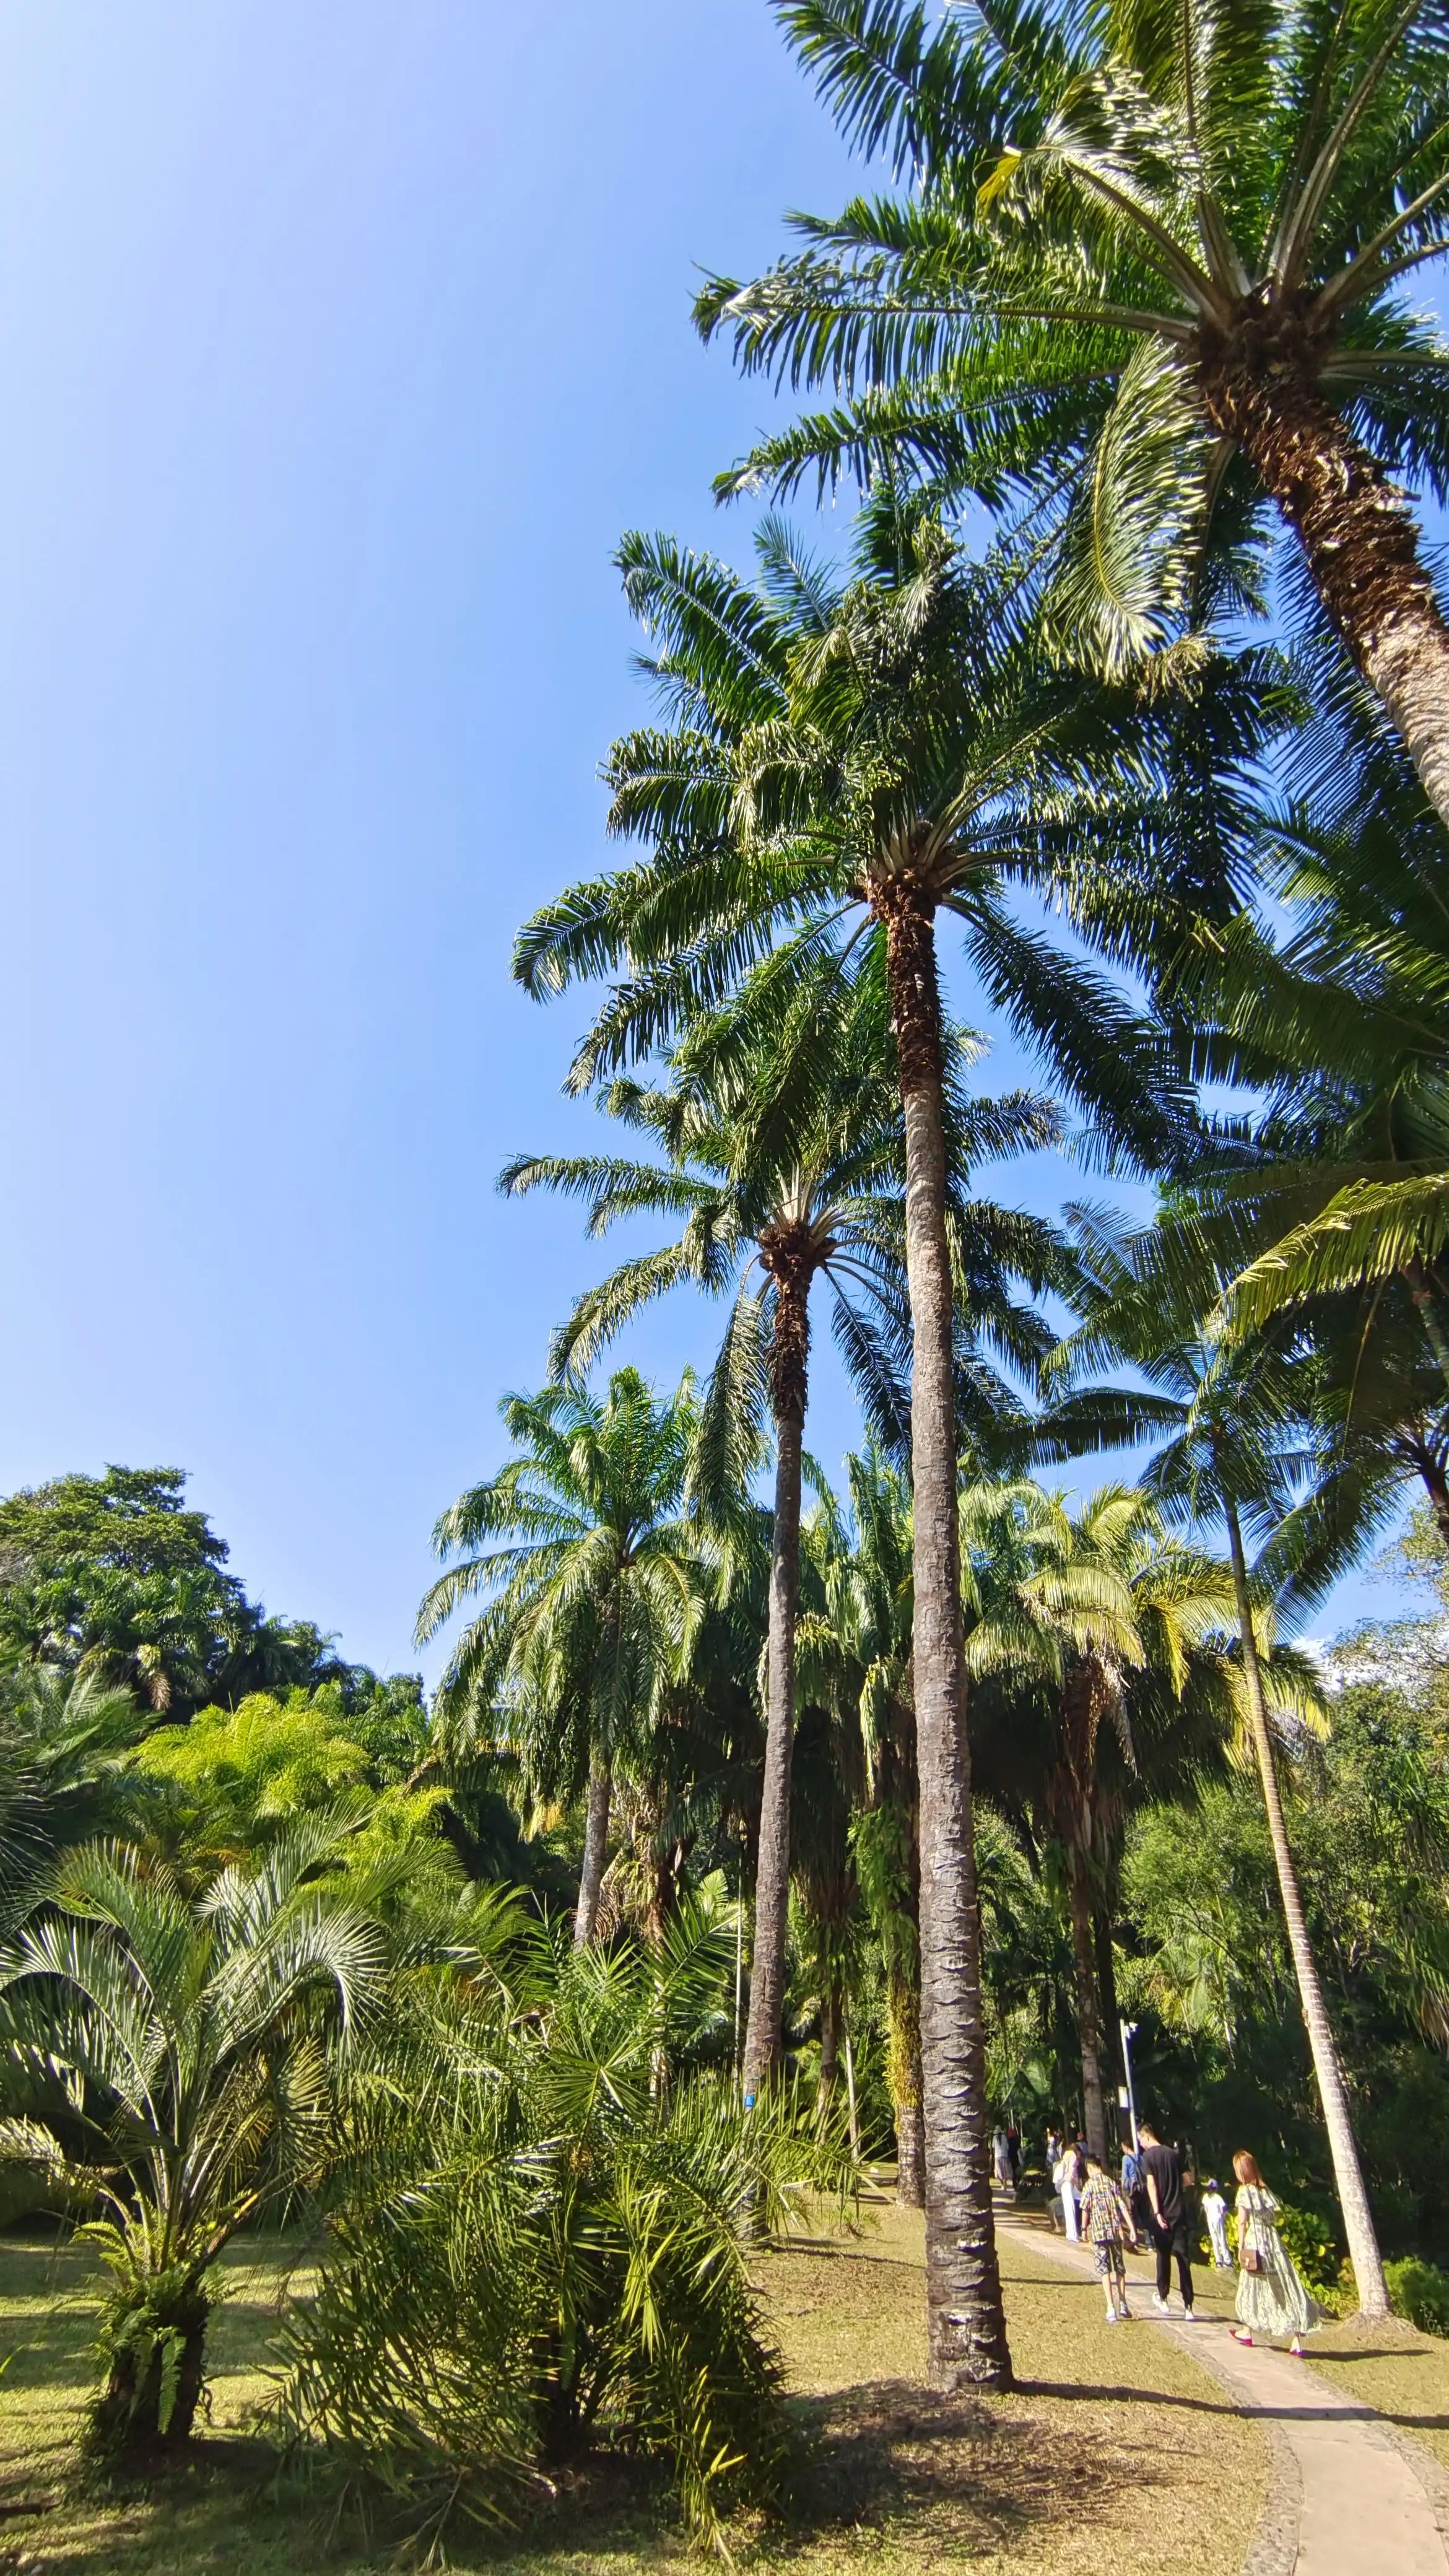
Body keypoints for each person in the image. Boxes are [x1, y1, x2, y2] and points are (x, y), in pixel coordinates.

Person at [1230, 2151, 1324, 2356]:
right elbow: (1273, 2219)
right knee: (1285, 2287)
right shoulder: (1266, 2192)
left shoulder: (1244, 2192)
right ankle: (1296, 2340)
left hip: (1256, 2245)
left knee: (1252, 2287)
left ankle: (1247, 2330)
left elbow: (1243, 2221)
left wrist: (1240, 2245)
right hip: (1274, 2245)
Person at [1138, 2121, 1196, 2321]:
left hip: (1163, 2215)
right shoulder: (1172, 2154)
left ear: (1146, 2136)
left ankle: (1163, 2298)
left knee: (1163, 2257)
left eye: (1141, 2140)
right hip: (1179, 2212)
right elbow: (1187, 2179)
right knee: (1183, 2259)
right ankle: (1189, 2305)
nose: (1141, 2144)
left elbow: (1151, 2185)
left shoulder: (1148, 2157)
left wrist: (1157, 2212)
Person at [1079, 2147, 1139, 2323]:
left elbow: (1085, 2209)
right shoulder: (1112, 2183)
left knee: (1104, 2270)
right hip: (1115, 2232)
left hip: (1098, 2234)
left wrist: (1083, 2229)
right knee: (1119, 2268)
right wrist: (1132, 2228)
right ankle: (1123, 2303)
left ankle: (1110, 2307)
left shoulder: (1089, 2185)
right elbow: (1122, 2207)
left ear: (1090, 2168)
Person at [1202, 2177, 1232, 2271]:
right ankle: (1223, 2260)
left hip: (1214, 2220)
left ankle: (1223, 2261)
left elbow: (1223, 2208)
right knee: (1218, 2240)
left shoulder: (1211, 2197)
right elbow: (1223, 2209)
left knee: (1218, 2240)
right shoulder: (1212, 2197)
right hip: (1214, 2220)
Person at [1055, 2138, 1082, 2242]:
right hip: (1068, 2183)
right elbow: (1072, 2173)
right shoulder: (1073, 2156)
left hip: (1064, 2183)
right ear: (1077, 2151)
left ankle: (1071, 2233)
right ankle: (1073, 2234)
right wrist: (1077, 2183)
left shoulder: (1066, 2155)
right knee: (1071, 2208)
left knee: (1069, 2208)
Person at [993, 2125, 1013, 2190]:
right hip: (1004, 2156)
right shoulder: (1004, 2137)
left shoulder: (995, 2138)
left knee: (999, 2171)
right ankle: (1005, 2183)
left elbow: (993, 2147)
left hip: (997, 2157)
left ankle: (1002, 2184)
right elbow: (1007, 2147)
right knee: (1005, 2171)